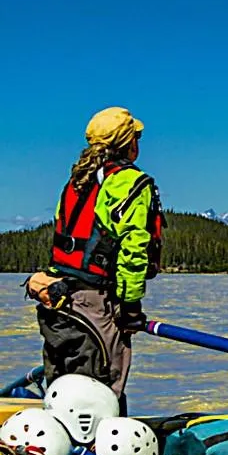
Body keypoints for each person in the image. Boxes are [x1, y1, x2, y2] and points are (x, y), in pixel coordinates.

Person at [28, 107, 165, 414]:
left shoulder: (76, 182)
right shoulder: (130, 182)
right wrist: (130, 306)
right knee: (102, 389)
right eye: (137, 137)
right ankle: (101, 454)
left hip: (59, 296)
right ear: (129, 143)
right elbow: (133, 248)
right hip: (96, 302)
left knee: (64, 387)